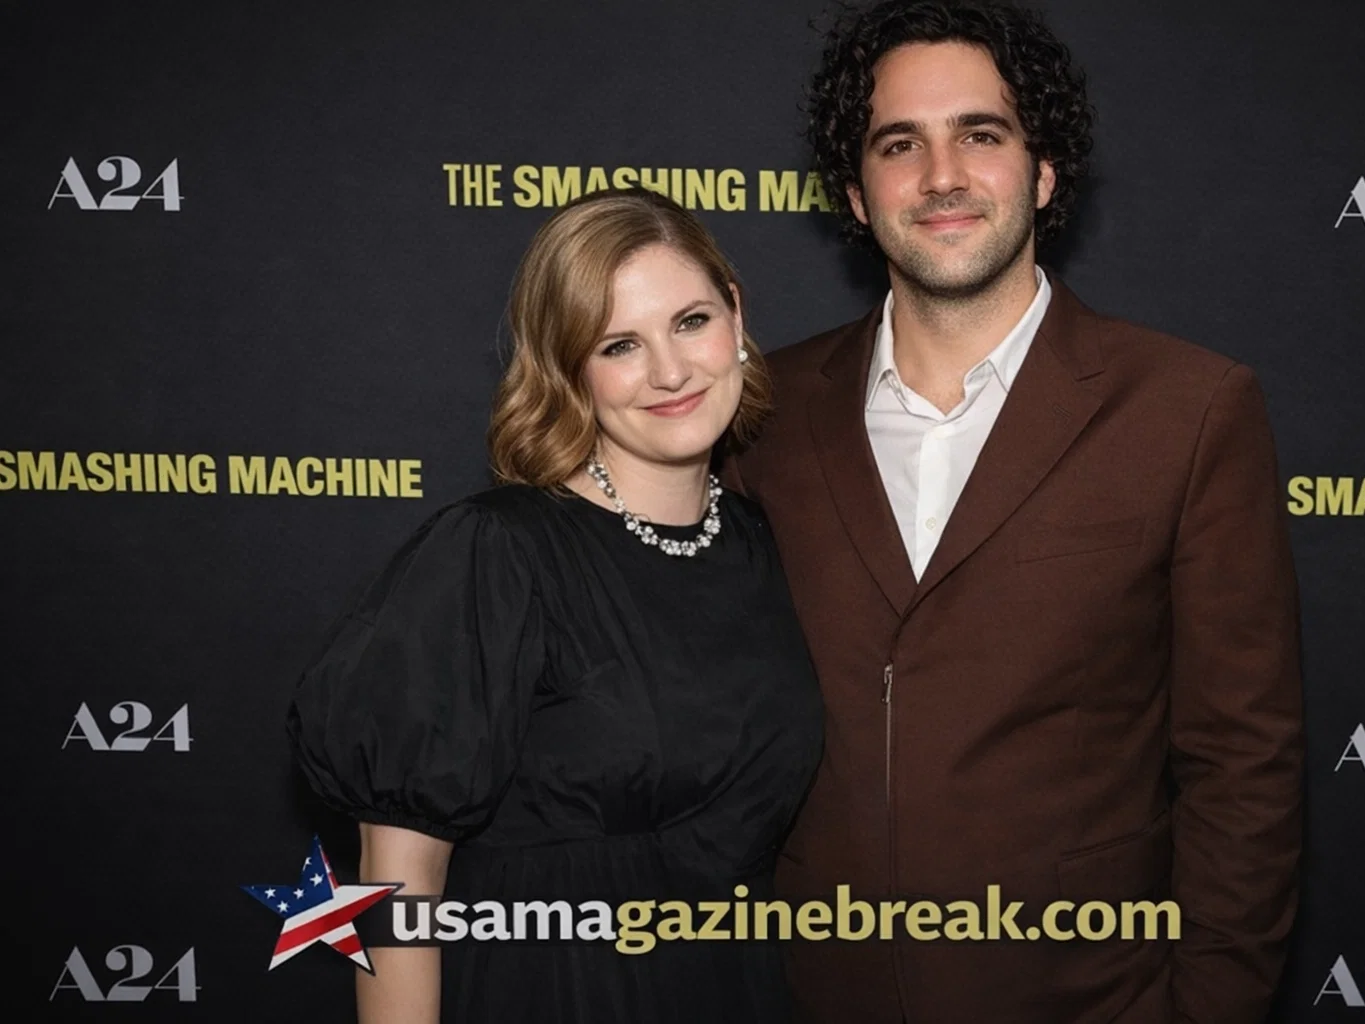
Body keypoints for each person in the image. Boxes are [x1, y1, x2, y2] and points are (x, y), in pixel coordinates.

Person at [727, 1, 1304, 1021]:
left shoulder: (1188, 408)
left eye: (981, 135)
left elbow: (1244, 762)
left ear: (1043, 172)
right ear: (855, 192)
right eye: (899, 144)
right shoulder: (759, 414)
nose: (941, 175)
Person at [288, 188, 822, 1023]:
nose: (670, 371)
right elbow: (399, 883)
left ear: (736, 314)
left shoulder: (767, 542)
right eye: (619, 345)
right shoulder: (497, 552)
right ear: (568, 368)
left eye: (690, 322)